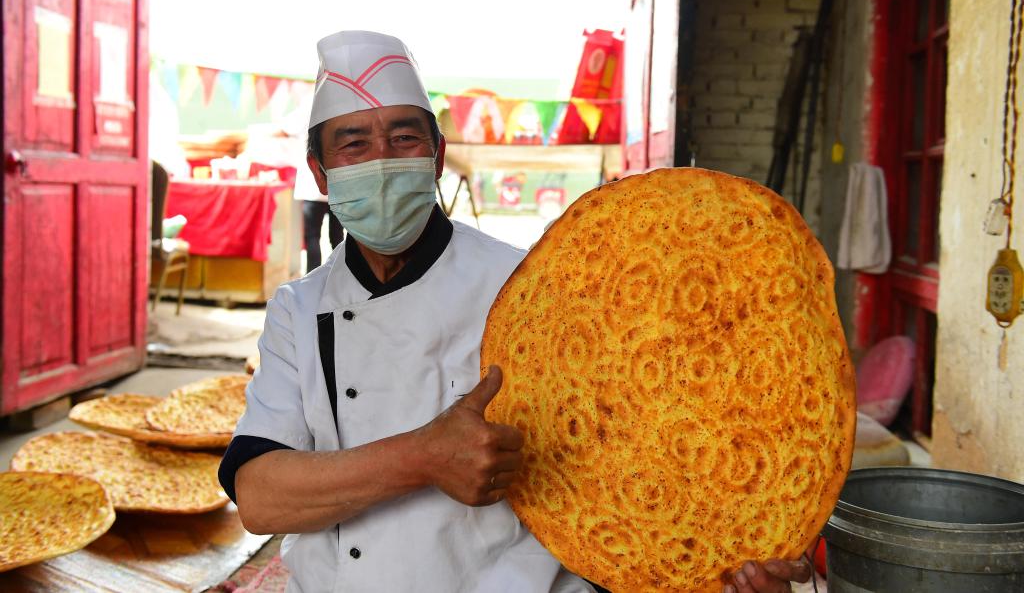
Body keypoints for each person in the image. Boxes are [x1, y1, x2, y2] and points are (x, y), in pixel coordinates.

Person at [218, 30, 811, 593]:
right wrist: (426, 456)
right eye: (354, 144)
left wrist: (724, 551)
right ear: (320, 174)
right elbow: (260, 499)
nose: (382, 160)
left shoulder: (533, 291)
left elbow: (639, 455)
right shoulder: (299, 310)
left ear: (437, 156)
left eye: (404, 138)